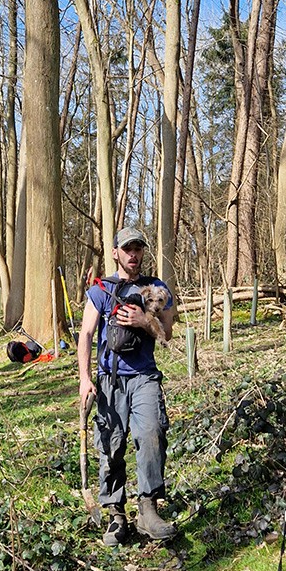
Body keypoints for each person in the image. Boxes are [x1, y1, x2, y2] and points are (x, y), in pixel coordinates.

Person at [77, 227, 176, 545]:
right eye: (127, 249)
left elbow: (168, 332)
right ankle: (116, 514)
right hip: (110, 380)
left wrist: (143, 321)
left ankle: (148, 509)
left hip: (145, 377)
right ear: (116, 252)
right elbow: (86, 335)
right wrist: (84, 378)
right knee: (111, 445)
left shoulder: (157, 288)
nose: (133, 254)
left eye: (138, 248)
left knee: (150, 434)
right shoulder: (101, 290)